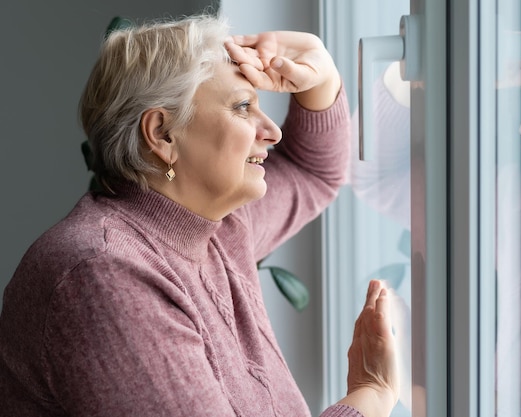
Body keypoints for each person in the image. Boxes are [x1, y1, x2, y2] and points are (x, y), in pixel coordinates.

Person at [0, 14, 399, 417]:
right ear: (162, 133)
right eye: (243, 107)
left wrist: (322, 75)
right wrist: (370, 395)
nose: (271, 131)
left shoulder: (220, 230)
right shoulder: (103, 275)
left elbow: (311, 170)